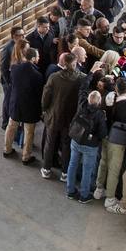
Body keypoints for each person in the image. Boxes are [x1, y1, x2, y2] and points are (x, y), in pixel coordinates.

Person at [40, 52, 83, 180]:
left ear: (64, 63)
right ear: (75, 64)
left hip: (54, 116)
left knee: (50, 143)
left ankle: (46, 169)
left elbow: (45, 97)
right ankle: (65, 172)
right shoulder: (81, 79)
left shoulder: (54, 77)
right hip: (70, 118)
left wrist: (44, 109)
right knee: (66, 145)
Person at [96, 77, 126, 201]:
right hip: (118, 141)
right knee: (114, 169)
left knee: (103, 162)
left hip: (105, 135)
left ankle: (99, 189)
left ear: (116, 88)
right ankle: (110, 197)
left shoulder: (108, 98)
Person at [4, 48, 44, 164]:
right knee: (29, 132)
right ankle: (26, 157)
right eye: (37, 56)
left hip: (15, 104)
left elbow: (12, 84)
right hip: (29, 108)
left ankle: (7, 149)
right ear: (33, 58)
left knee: (11, 127)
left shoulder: (15, 69)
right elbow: (39, 94)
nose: (39, 58)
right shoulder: (37, 75)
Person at [66, 91, 107, 203]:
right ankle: (84, 195)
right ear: (99, 102)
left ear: (88, 99)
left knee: (72, 164)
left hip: (76, 140)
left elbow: (82, 91)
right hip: (90, 145)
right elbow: (103, 133)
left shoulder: (82, 106)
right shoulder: (100, 114)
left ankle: (70, 191)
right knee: (87, 170)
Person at [0, 25, 23, 130]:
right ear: (14, 36)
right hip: (8, 80)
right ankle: (5, 123)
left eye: (23, 35)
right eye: (20, 35)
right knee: (8, 102)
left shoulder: (19, 45)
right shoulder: (8, 48)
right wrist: (8, 82)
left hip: (15, 79)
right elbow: (3, 67)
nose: (22, 37)